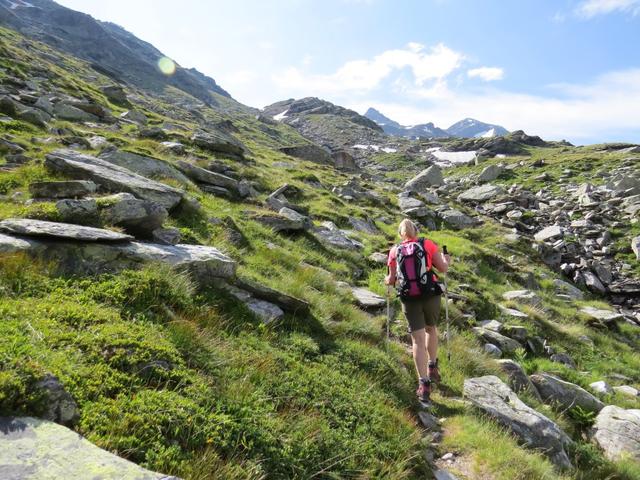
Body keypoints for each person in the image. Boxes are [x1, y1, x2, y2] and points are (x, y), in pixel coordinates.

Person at [385, 219, 451, 402]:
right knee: (431, 329)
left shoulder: (394, 250)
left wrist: (387, 280)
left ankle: (423, 384)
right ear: (416, 231)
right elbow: (443, 268)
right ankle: (432, 366)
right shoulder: (427, 244)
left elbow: (391, 280)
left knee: (417, 339)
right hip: (430, 294)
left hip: (409, 298)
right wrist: (446, 260)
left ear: (400, 234)